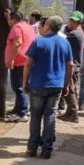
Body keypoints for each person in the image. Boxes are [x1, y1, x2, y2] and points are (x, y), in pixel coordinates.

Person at [23, 16, 73, 159]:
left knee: (35, 116)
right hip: (56, 85)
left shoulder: (38, 41)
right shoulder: (65, 43)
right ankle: (47, 149)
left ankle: (32, 149)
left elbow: (28, 63)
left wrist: (25, 82)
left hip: (38, 85)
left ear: (48, 26)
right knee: (50, 117)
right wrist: (66, 84)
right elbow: (70, 65)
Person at [5, 11, 36, 122]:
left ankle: (22, 112)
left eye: (9, 19)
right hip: (28, 60)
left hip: (19, 61)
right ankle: (19, 110)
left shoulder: (16, 27)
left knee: (18, 87)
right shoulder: (28, 27)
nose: (8, 22)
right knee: (23, 86)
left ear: (13, 19)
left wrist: (11, 59)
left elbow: (17, 43)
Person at [58, 11, 83, 123]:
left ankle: (73, 114)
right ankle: (70, 111)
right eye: (70, 19)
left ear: (77, 22)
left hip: (72, 65)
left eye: (72, 21)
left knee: (69, 90)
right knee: (71, 90)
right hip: (76, 64)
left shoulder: (74, 34)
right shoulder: (79, 32)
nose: (70, 22)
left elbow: (62, 43)